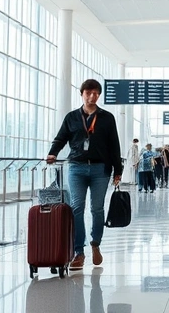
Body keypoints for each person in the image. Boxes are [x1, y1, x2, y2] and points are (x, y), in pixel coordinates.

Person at [46, 79, 123, 271]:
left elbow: (114, 144)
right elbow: (61, 137)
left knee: (97, 209)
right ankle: (78, 252)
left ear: (99, 95)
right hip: (76, 167)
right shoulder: (72, 117)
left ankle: (95, 243)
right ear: (82, 94)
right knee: (76, 208)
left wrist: (118, 171)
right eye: (88, 92)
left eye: (96, 93)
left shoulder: (107, 117)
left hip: (100, 169)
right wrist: (53, 152)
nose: (92, 96)